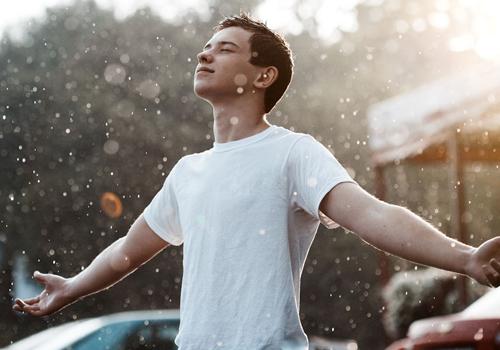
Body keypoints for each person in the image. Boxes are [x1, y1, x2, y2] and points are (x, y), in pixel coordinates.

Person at [13, 13, 500, 350]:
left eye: (224, 49)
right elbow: (127, 251)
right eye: (205, 49)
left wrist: (464, 258)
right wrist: (72, 287)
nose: (204, 57)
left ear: (263, 75)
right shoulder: (189, 172)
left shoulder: (293, 153)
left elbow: (373, 215)